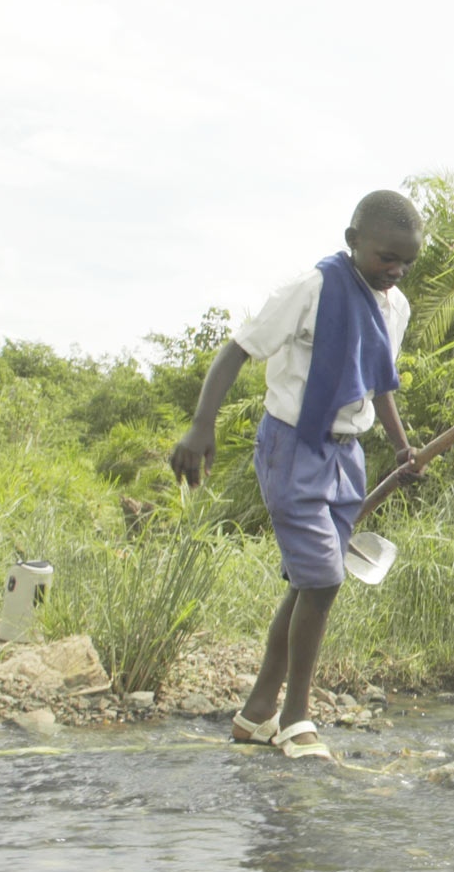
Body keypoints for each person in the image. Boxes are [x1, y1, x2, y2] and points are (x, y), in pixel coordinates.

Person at [168, 190, 421, 759]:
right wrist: (200, 427)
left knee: (309, 582)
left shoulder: (395, 307)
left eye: (407, 262)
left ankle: (257, 712)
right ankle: (296, 718)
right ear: (353, 240)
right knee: (324, 579)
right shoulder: (310, 289)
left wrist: (402, 447)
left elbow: (379, 380)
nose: (395, 270)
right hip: (292, 446)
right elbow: (238, 350)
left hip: (347, 456)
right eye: (386, 257)